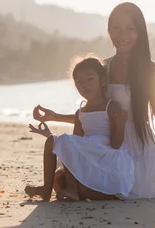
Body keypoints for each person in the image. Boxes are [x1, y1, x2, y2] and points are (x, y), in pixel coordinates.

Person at [32, 2, 155, 199]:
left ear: (140, 32)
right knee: (60, 180)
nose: (123, 35)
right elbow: (96, 117)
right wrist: (54, 116)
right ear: (109, 31)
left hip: (141, 157)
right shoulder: (103, 68)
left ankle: (146, 187)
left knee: (66, 182)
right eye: (116, 28)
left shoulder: (149, 70)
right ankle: (132, 191)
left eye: (130, 29)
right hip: (109, 152)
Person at [25, 57, 134, 201]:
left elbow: (116, 144)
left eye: (90, 79)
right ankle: (47, 189)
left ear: (102, 81)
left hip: (106, 157)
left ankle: (73, 189)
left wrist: (120, 123)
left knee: (62, 143)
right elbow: (75, 144)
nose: (85, 85)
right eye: (79, 82)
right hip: (90, 155)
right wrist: (50, 137)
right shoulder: (80, 112)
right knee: (58, 175)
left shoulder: (111, 106)